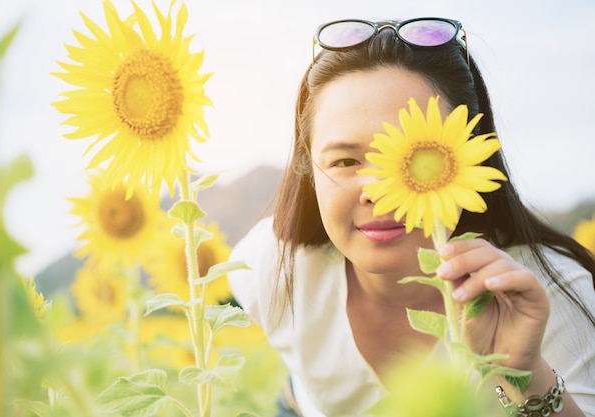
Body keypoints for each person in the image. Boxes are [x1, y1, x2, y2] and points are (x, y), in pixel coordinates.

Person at [227, 17, 595, 417]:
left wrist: (523, 377)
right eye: (346, 160)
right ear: (308, 169)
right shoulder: (267, 268)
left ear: (474, 155)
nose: (381, 191)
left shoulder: (547, 297)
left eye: (417, 160)